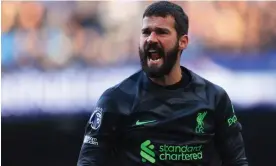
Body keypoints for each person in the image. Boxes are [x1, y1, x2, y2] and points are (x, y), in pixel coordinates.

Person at [77, 1, 248, 166]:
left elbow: (237, 161)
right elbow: (88, 161)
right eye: (146, 32)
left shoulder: (214, 98)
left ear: (183, 42)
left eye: (161, 32)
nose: (151, 39)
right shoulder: (116, 99)